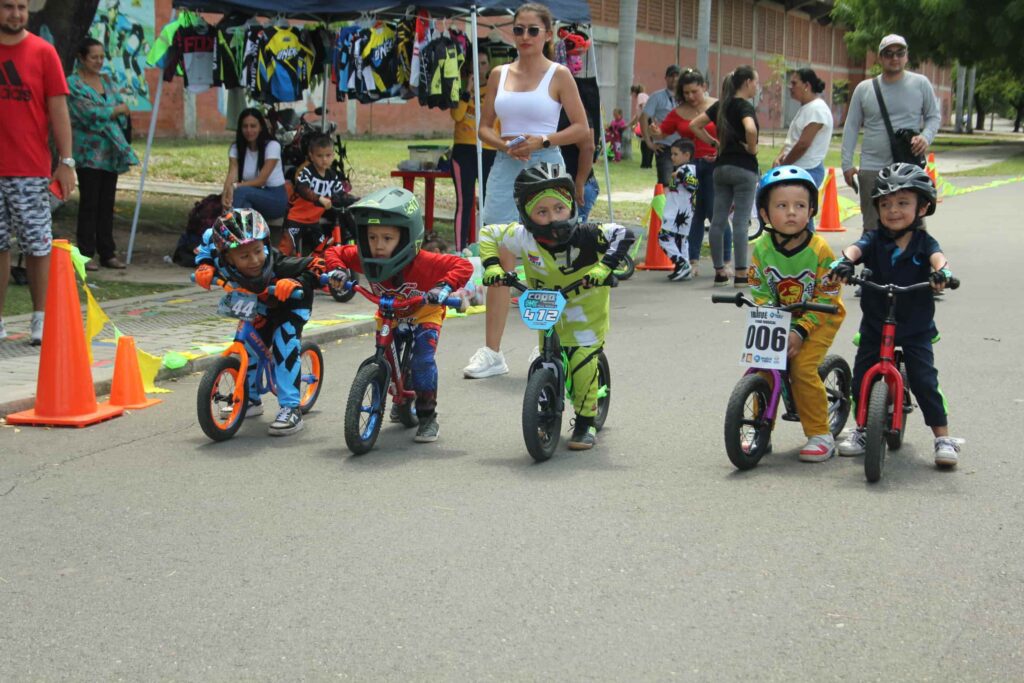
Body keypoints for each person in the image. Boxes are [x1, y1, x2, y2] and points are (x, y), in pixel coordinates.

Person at [465, 1, 589, 380]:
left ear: (547, 34)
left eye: (533, 30)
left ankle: (548, 343)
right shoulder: (499, 73)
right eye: (518, 29)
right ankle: (492, 352)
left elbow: (582, 129)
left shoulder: (559, 74)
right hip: (506, 165)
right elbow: (484, 126)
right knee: (498, 253)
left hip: (546, 163)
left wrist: (542, 140)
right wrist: (504, 145)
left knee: (548, 254)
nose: (525, 37)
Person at [478, 163, 635, 450]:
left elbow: (624, 234)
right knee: (550, 356)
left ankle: (586, 422)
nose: (552, 218)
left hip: (585, 312)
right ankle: (546, 403)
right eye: (542, 212)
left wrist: (603, 269)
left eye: (559, 209)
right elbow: (489, 234)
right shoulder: (523, 237)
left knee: (581, 364)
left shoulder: (587, 233)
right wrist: (492, 266)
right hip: (547, 310)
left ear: (571, 208)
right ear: (528, 216)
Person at [828, 164, 961, 467]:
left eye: (903, 203)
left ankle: (942, 436)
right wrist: (844, 263)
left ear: (923, 206)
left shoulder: (923, 242)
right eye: (885, 204)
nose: (893, 210)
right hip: (876, 323)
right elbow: (855, 249)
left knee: (924, 379)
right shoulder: (874, 239)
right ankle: (862, 429)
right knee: (862, 377)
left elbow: (938, 258)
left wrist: (942, 272)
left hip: (915, 325)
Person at [325, 188, 473, 443]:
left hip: (424, 312)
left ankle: (428, 417)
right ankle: (398, 394)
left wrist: (443, 287)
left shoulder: (424, 261)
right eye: (371, 237)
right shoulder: (366, 257)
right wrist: (337, 271)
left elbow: (463, 265)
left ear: (406, 238)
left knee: (422, 361)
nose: (378, 245)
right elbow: (334, 252)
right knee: (387, 357)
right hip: (389, 313)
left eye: (387, 238)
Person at [193, 209, 324, 436]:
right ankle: (250, 399)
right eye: (244, 256)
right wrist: (204, 265)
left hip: (291, 304)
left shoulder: (278, 263)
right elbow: (206, 242)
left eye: (257, 251)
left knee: (284, 343)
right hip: (258, 305)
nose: (254, 260)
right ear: (226, 255)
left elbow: (317, 266)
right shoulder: (218, 250)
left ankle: (291, 408)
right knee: (249, 346)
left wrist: (295, 281)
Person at [748, 166, 846, 461]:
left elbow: (826, 295)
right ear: (765, 214)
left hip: (820, 316)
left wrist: (801, 329)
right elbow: (760, 288)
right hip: (781, 317)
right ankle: (759, 429)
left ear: (811, 210)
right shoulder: (762, 248)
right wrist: (768, 313)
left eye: (800, 206)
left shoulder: (820, 250)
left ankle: (820, 433)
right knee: (763, 367)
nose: (791, 212)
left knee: (802, 368)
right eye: (781, 205)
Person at [0, 0, 75, 345]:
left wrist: (67, 161)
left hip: (30, 169)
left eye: (20, 7)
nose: (14, 14)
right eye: (6, 7)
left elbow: (58, 108)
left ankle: (40, 319)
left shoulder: (43, 52)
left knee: (37, 245)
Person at [840, 35, 941, 233]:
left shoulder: (921, 84)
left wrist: (925, 137)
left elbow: (933, 117)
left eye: (899, 53)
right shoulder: (864, 88)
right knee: (872, 226)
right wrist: (846, 164)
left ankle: (915, 263)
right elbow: (851, 126)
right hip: (871, 167)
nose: (894, 58)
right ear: (880, 58)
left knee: (914, 226)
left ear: (906, 56)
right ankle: (874, 264)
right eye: (888, 53)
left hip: (907, 167)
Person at [67, 38, 138, 272]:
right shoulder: (73, 84)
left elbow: (119, 107)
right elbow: (87, 114)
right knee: (90, 203)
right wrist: (113, 111)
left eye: (101, 57)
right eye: (94, 57)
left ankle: (108, 252)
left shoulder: (106, 81)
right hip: (88, 154)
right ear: (81, 58)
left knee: (107, 203)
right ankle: (86, 254)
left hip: (111, 153)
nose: (99, 61)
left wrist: (113, 112)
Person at [691, 65, 761, 287]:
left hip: (721, 169)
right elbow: (750, 129)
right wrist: (752, 148)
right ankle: (741, 273)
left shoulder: (721, 106)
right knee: (740, 221)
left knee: (718, 221)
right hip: (744, 168)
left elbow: (695, 125)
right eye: (756, 82)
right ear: (747, 82)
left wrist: (714, 143)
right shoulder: (744, 107)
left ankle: (719, 271)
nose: (756, 87)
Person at [659, 67, 727, 277]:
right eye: (686, 93)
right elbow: (662, 131)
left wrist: (721, 151)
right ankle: (692, 260)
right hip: (690, 166)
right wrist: (650, 133)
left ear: (704, 87)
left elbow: (730, 131)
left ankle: (726, 260)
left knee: (716, 212)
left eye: (694, 91)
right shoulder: (678, 112)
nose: (690, 96)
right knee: (694, 214)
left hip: (715, 164)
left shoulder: (718, 106)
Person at [449, 52, 498, 253]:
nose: (480, 67)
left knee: (489, 202)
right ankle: (461, 250)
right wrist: (467, 89)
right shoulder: (460, 88)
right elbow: (458, 115)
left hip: (488, 149)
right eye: (476, 63)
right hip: (464, 150)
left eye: (484, 63)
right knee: (465, 201)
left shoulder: (494, 90)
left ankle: (487, 248)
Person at [279, 133, 345, 257]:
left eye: (328, 155)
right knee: (285, 250)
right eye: (320, 156)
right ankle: (277, 273)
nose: (324, 159)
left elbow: (341, 195)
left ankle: (313, 270)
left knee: (322, 248)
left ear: (333, 156)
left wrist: (356, 201)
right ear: (312, 156)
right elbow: (302, 189)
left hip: (313, 222)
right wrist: (319, 198)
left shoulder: (332, 177)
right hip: (295, 219)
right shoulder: (307, 172)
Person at [773, 68, 833, 195]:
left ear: (807, 85)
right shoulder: (807, 108)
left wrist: (784, 165)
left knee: (799, 212)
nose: (790, 87)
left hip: (807, 170)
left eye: (794, 83)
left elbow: (803, 144)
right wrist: (780, 156)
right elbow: (793, 140)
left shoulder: (817, 109)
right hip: (797, 168)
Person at [222, 108, 288, 220]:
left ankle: (228, 229)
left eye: (253, 126)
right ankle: (249, 236)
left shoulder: (272, 146)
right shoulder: (236, 148)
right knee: (245, 208)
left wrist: (235, 187)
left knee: (241, 192)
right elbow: (232, 175)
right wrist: (225, 196)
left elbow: (261, 180)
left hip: (275, 199)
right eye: (245, 126)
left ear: (261, 127)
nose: (249, 130)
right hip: (253, 197)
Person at [660, 139, 699, 281]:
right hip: (682, 211)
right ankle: (684, 267)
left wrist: (681, 176)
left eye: (675, 154)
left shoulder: (686, 170)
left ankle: (681, 263)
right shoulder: (685, 169)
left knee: (664, 238)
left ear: (687, 155)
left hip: (678, 212)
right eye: (672, 154)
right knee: (681, 240)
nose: (672, 157)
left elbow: (693, 184)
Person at [640, 64, 681, 186]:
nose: (674, 79)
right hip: (665, 146)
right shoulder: (657, 97)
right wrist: (649, 143)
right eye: (671, 76)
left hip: (683, 146)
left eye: (677, 76)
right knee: (665, 182)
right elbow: (643, 118)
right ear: (666, 78)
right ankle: (661, 205)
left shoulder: (686, 96)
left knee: (682, 184)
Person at [629, 84, 652, 168]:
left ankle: (645, 164)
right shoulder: (644, 95)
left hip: (647, 119)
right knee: (648, 141)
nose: (632, 96)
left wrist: (643, 120)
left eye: (632, 94)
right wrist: (629, 125)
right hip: (649, 118)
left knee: (645, 142)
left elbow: (643, 107)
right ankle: (648, 163)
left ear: (634, 92)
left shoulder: (641, 95)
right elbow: (636, 116)